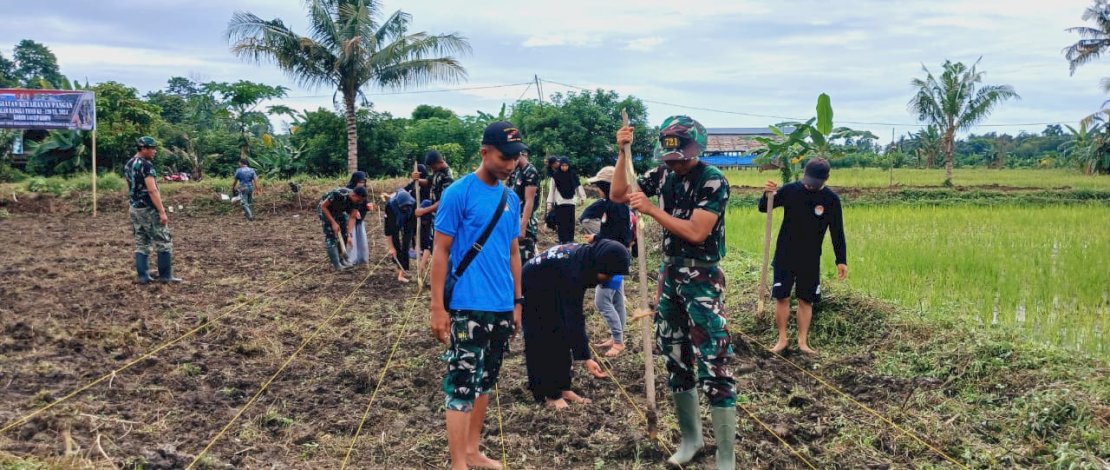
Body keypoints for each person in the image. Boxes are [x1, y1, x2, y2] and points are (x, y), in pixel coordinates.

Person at [611, 115, 736, 469]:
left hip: (703, 280)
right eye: (669, 158)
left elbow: (697, 232)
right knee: (675, 355)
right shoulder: (665, 174)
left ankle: (726, 455)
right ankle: (691, 438)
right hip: (671, 276)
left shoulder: (712, 181)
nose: (674, 163)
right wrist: (623, 154)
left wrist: (650, 210)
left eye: (680, 157)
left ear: (695, 151)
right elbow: (620, 193)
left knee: (715, 361)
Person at [430, 121, 525, 470]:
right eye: (504, 157)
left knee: (486, 381)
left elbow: (514, 252)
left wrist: (517, 301)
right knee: (461, 385)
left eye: (516, 158)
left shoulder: (510, 198)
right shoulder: (459, 193)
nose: (511, 164)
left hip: (502, 305)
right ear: (484, 151)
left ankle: (472, 450)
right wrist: (437, 306)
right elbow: (441, 252)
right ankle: (458, 463)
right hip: (468, 305)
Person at [522, 239, 627, 408]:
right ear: (600, 265)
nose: (606, 280)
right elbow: (575, 318)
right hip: (531, 289)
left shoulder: (586, 259)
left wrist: (585, 356)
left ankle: (563, 388)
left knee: (561, 334)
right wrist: (586, 358)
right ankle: (548, 394)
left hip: (552, 288)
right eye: (607, 275)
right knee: (542, 339)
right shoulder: (574, 271)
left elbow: (571, 322)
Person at [759, 158, 848, 355]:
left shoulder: (831, 200)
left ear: (825, 179)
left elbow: (837, 231)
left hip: (810, 257)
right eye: (808, 181)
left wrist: (841, 260)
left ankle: (802, 342)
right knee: (781, 297)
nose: (810, 185)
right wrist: (767, 195)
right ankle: (782, 340)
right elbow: (764, 208)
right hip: (785, 254)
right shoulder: (791, 190)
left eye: (815, 183)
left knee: (805, 299)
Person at [579, 166, 633, 357]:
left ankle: (618, 342)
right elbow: (620, 234)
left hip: (611, 259)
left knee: (602, 301)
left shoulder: (610, 204)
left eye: (600, 186)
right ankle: (616, 337)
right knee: (617, 299)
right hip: (621, 256)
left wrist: (598, 238)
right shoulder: (623, 206)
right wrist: (600, 237)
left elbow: (584, 218)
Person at [125, 136, 181, 284]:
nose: (154, 151)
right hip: (149, 209)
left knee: (141, 240)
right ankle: (165, 276)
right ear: (143, 149)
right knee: (163, 240)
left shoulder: (129, 164)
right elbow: (152, 190)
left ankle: (143, 276)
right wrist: (162, 211)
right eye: (152, 148)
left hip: (135, 208)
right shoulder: (146, 166)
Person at [318, 185, 366, 270]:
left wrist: (349, 234)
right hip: (326, 209)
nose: (359, 202)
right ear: (353, 195)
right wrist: (333, 223)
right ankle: (336, 264)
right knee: (331, 235)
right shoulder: (339, 194)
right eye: (358, 200)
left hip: (339, 210)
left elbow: (352, 217)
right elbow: (323, 206)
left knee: (344, 234)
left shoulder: (358, 201)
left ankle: (342, 259)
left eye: (361, 201)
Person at [507, 151, 540, 260]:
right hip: (513, 221)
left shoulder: (530, 171)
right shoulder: (516, 171)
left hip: (525, 225)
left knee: (524, 260)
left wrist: (522, 227)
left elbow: (529, 201)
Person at [546, 157, 586, 244]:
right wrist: (549, 203)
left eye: (566, 166)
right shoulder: (555, 176)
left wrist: (582, 197)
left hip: (570, 202)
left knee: (570, 222)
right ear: (560, 166)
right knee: (561, 223)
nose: (564, 167)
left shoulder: (572, 174)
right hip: (560, 202)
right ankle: (562, 240)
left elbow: (578, 186)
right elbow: (551, 190)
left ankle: (570, 240)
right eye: (563, 166)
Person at [383, 188, 416, 283]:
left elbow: (413, 226)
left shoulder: (413, 204)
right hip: (394, 222)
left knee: (406, 245)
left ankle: (403, 271)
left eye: (406, 207)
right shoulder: (390, 206)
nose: (405, 208)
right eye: (403, 207)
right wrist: (391, 247)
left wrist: (415, 243)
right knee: (395, 244)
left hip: (408, 221)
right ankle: (398, 266)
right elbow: (388, 230)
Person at [345, 171, 371, 266]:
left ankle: (361, 258)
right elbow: (346, 207)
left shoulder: (363, 190)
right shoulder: (349, 191)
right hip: (350, 219)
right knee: (351, 239)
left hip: (359, 220)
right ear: (355, 181)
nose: (362, 183)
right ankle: (350, 260)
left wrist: (367, 206)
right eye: (360, 181)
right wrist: (354, 211)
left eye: (363, 182)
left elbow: (364, 202)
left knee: (361, 240)